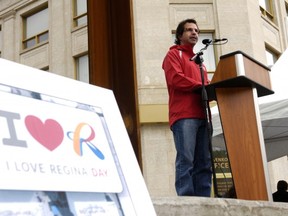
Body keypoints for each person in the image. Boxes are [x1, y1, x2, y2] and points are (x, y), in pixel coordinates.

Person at [162, 18, 212, 196]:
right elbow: (176, 79)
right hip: (184, 116)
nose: (194, 33)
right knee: (186, 160)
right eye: (189, 30)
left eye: (197, 30)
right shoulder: (173, 55)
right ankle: (187, 202)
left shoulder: (201, 63)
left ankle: (205, 201)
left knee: (204, 162)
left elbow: (206, 86)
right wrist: (201, 86)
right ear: (179, 35)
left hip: (203, 116)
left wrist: (210, 88)